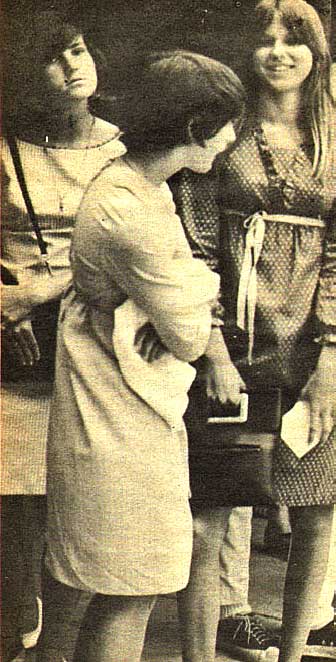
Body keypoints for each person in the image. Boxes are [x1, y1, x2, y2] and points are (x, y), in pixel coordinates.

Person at [174, 2, 336, 661]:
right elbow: (197, 249)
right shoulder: (218, 135)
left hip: (316, 356)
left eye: (294, 40)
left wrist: (332, 361)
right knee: (210, 520)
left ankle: (291, 655)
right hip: (235, 349)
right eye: (265, 40)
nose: (279, 52)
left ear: (317, 52)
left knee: (319, 511)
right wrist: (213, 352)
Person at [38, 50, 242, 662]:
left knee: (88, 588)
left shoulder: (143, 187)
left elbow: (185, 295)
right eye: (226, 123)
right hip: (115, 417)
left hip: (118, 408)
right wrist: (184, 295)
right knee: (129, 591)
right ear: (192, 128)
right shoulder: (130, 207)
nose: (232, 137)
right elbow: (186, 331)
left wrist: (176, 295)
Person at [0, 12, 124, 661]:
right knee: (14, 501)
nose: (74, 65)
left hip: (95, 334)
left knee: (81, 499)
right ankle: (18, 620)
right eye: (56, 57)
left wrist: (34, 297)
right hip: (15, 347)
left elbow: (128, 252)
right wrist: (4, 309)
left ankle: (61, 636)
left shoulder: (124, 149)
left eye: (79, 50)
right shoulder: (6, 146)